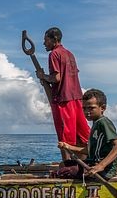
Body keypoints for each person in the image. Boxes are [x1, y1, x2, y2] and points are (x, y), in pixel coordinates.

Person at [36, 27, 90, 161]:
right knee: (81, 133)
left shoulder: (54, 54)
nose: (44, 43)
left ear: (54, 40)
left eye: (46, 40)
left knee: (65, 134)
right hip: (77, 98)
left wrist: (43, 76)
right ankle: (86, 160)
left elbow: (57, 78)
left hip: (63, 100)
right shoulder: (69, 54)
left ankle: (68, 165)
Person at [55, 89, 117, 179]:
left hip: (104, 170)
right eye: (84, 108)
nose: (87, 112)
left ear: (102, 108)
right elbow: (89, 150)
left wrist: (101, 166)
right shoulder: (96, 123)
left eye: (91, 108)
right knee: (63, 164)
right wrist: (68, 147)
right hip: (92, 163)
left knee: (64, 172)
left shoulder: (103, 123)